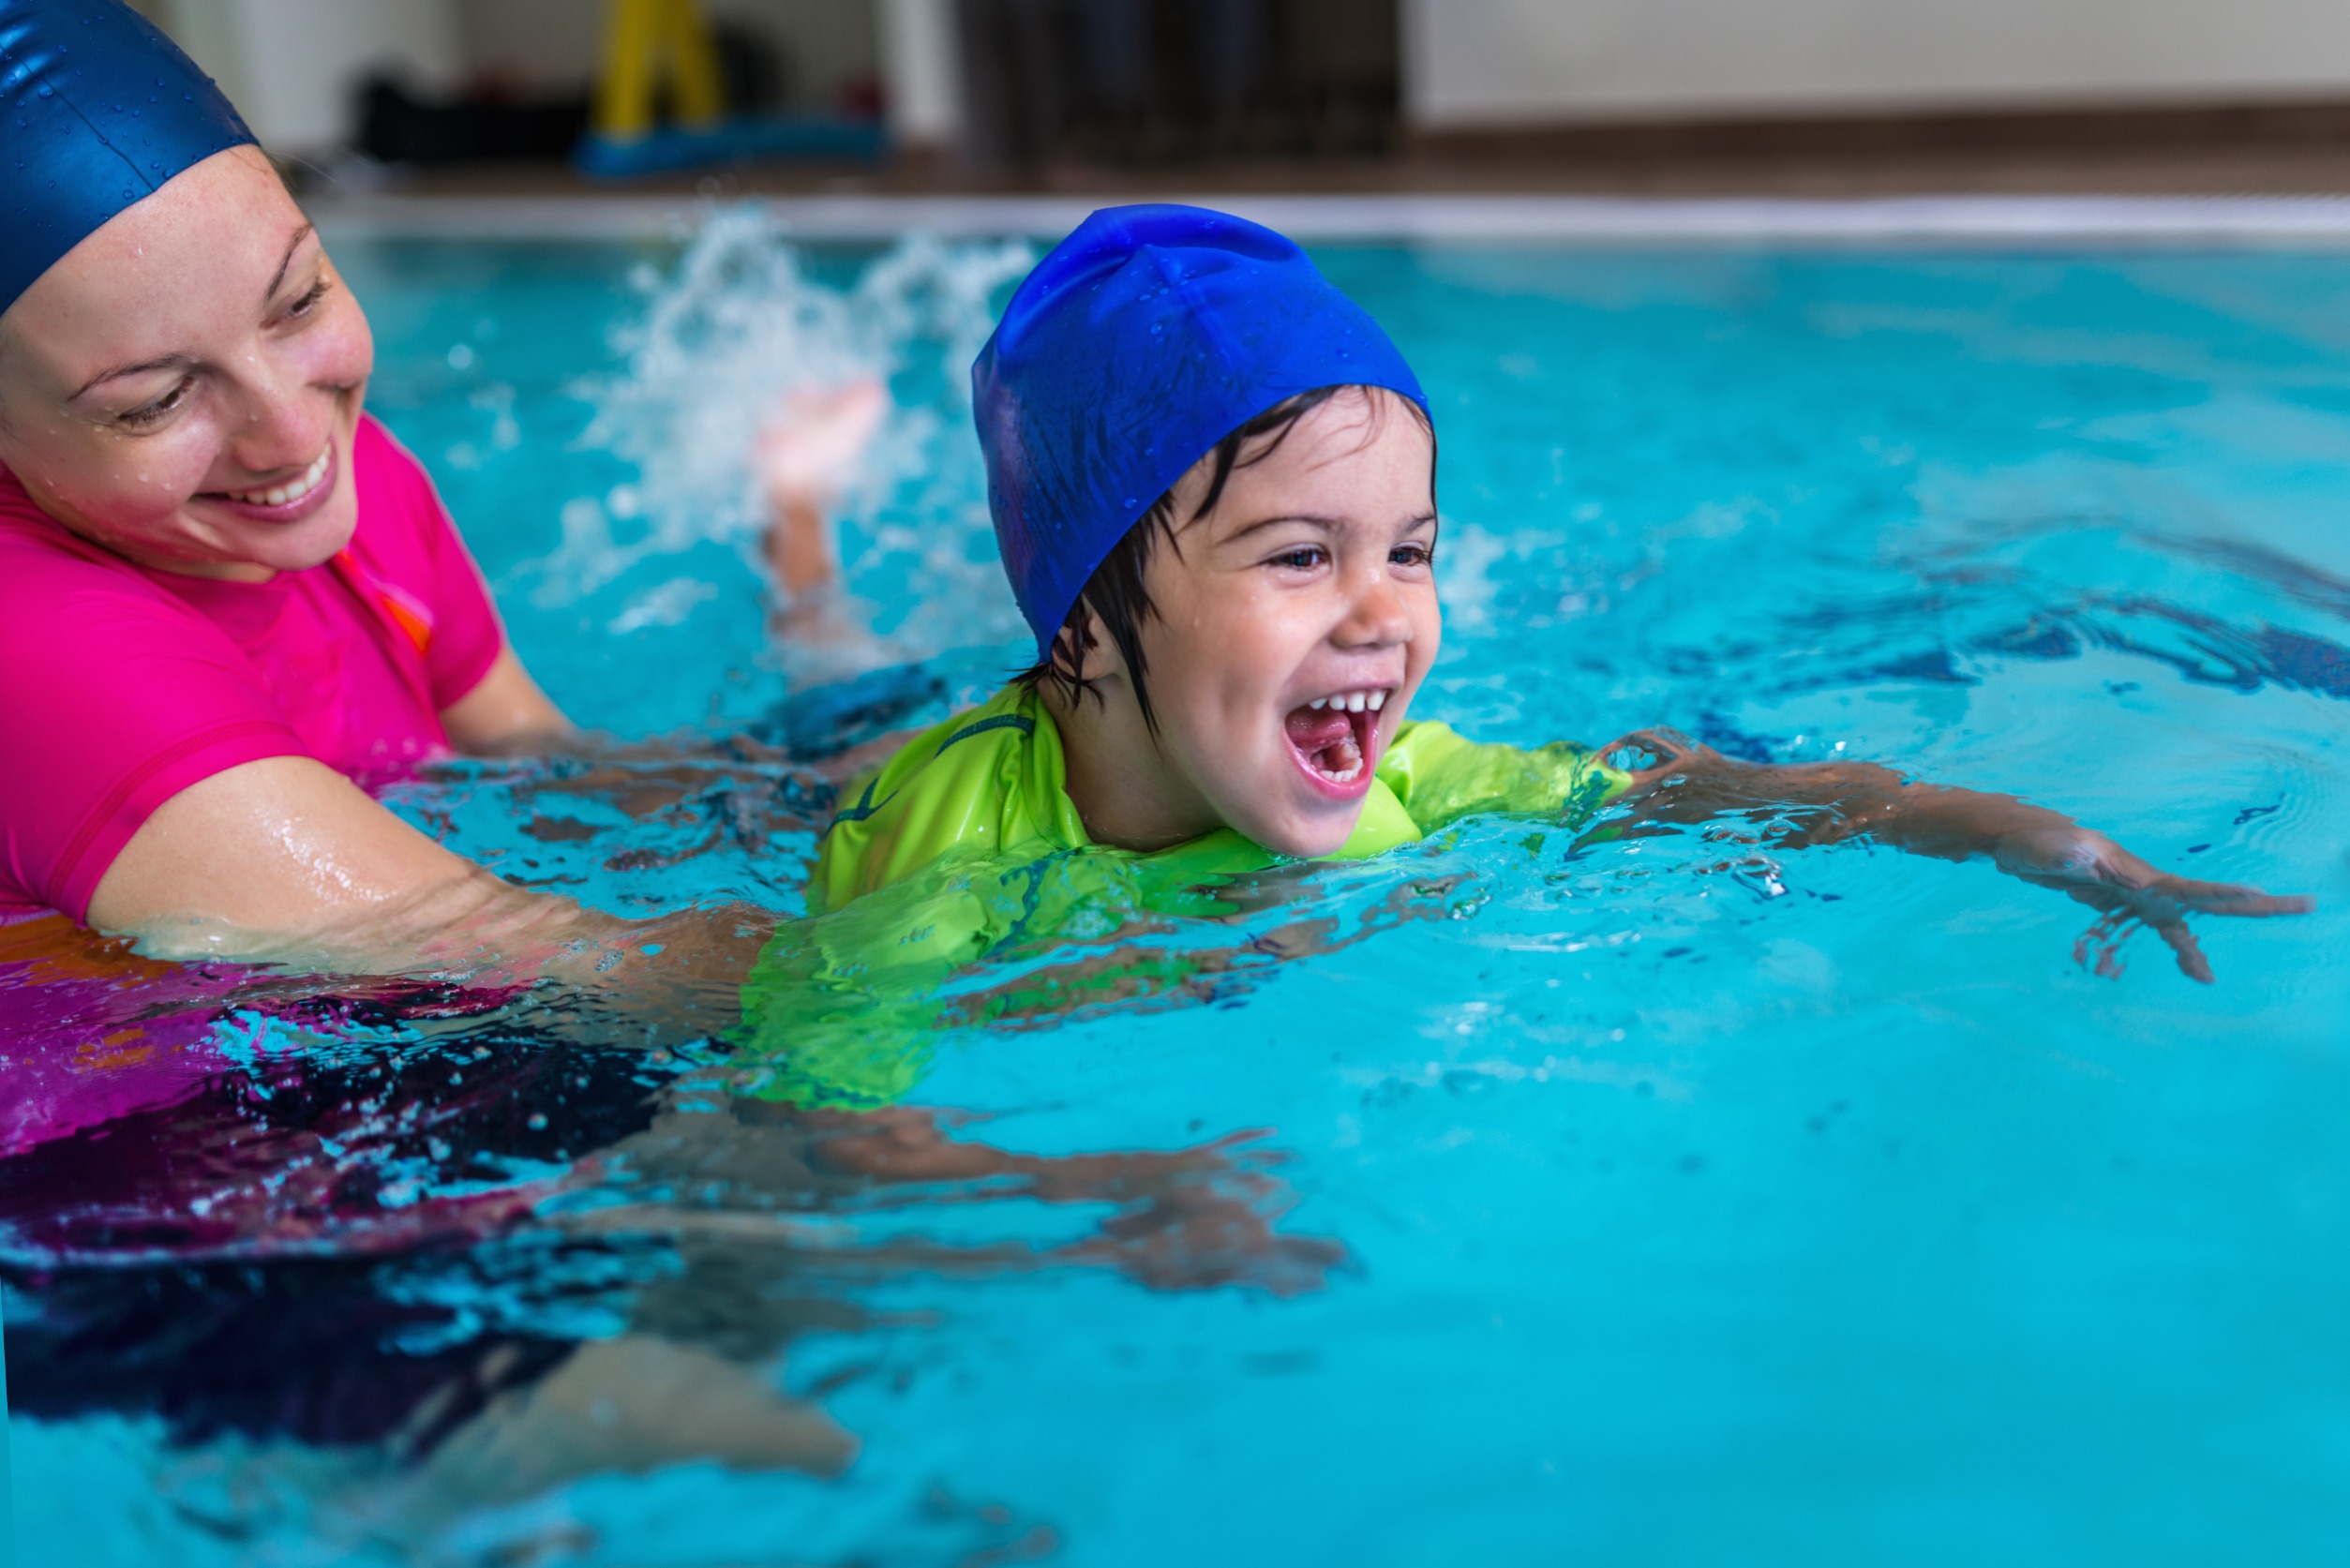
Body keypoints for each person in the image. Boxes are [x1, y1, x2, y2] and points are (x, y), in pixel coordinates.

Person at [733, 203, 2310, 1106]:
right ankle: (795, 525)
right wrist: (1109, 1193)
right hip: (902, 760)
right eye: (1301, 554)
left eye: (1409, 551)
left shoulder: (1411, 771)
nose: (1382, 613)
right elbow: (826, 1129)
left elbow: (1702, 792)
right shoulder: (935, 845)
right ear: (1081, 608)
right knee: (830, 706)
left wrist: (2021, 831)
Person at [0, 0, 875, 1006]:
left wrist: (876, 795)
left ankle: (798, 546)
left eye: (300, 299)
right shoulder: (31, 646)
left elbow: (540, 764)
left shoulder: (340, 477)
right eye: (155, 400)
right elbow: (568, 960)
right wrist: (1070, 965)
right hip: (185, 1144)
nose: (292, 433)